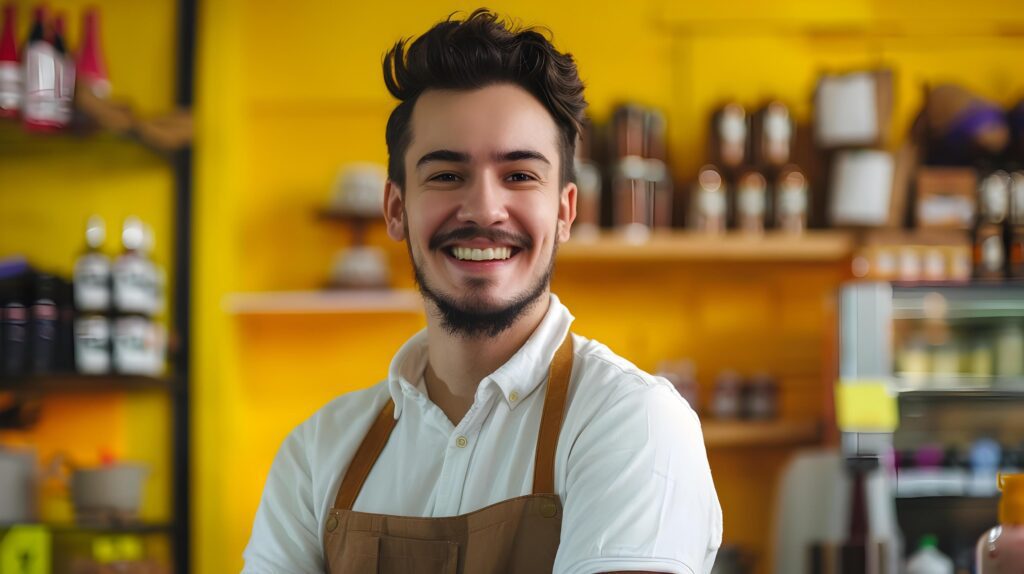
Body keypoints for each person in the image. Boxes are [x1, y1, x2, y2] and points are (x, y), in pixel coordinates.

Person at [243, 9, 722, 574]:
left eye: (519, 175)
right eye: (446, 175)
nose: (483, 210)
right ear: (397, 209)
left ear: (565, 211)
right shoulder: (317, 453)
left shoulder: (631, 422)